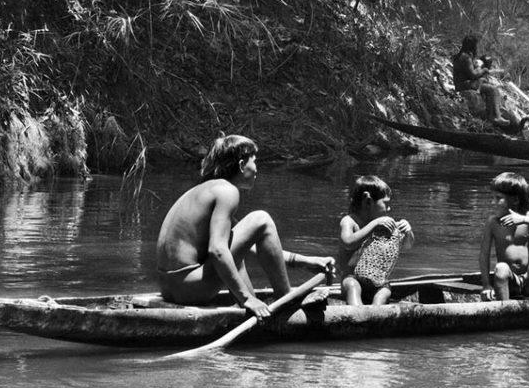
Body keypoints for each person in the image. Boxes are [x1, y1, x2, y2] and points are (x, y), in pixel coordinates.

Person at [155, 134, 335, 317]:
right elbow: (217, 250)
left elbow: (245, 246)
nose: (257, 169)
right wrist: (246, 298)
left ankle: (249, 309)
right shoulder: (227, 191)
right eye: (254, 162)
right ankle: (286, 299)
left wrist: (306, 261)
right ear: (241, 165)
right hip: (190, 289)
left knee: (235, 254)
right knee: (261, 219)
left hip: (170, 289)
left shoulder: (205, 190)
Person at [479, 171, 529, 300]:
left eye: (498, 198)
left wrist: (523, 219)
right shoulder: (493, 223)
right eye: (493, 197)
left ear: (516, 199)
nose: (492, 202)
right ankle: (505, 309)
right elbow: (484, 255)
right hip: (511, 281)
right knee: (501, 268)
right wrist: (486, 285)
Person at [337, 175, 415, 306]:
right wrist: (374, 225)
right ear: (368, 201)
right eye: (386, 203)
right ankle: (358, 317)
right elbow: (348, 243)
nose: (389, 209)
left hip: (377, 281)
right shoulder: (349, 221)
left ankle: (375, 317)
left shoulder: (384, 226)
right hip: (351, 278)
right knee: (352, 286)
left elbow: (407, 246)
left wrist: (408, 231)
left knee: (385, 292)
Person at [452, 35, 507, 124]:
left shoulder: (460, 56)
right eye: (476, 45)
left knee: (485, 84)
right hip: (464, 85)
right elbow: (473, 75)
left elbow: (467, 73)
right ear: (472, 46)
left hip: (460, 84)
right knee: (493, 89)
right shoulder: (466, 57)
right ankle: (497, 116)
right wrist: (484, 70)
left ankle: (492, 116)